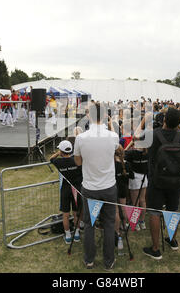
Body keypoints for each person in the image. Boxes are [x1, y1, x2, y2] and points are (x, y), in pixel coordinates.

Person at [74, 102, 121, 270]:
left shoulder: (81, 138)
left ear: (89, 116)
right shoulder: (113, 136)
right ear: (105, 116)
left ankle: (89, 260)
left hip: (91, 187)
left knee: (89, 224)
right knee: (108, 223)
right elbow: (117, 150)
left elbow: (78, 162)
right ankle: (108, 261)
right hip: (108, 186)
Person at [143, 107, 180, 259]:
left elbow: (146, 152)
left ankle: (155, 249)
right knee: (172, 210)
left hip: (157, 179)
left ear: (164, 119)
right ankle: (172, 240)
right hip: (175, 179)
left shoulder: (153, 134)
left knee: (154, 212)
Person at [50, 140, 83, 244]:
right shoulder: (76, 160)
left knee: (65, 214)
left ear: (61, 151)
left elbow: (51, 159)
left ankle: (68, 235)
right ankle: (77, 234)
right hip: (76, 189)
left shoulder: (58, 162)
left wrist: (58, 153)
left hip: (65, 190)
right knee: (76, 213)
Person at [124, 138, 148, 231]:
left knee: (135, 202)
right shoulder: (147, 152)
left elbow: (123, 153)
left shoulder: (131, 153)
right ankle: (142, 222)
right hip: (144, 177)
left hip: (135, 178)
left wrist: (130, 144)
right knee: (142, 200)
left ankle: (136, 222)